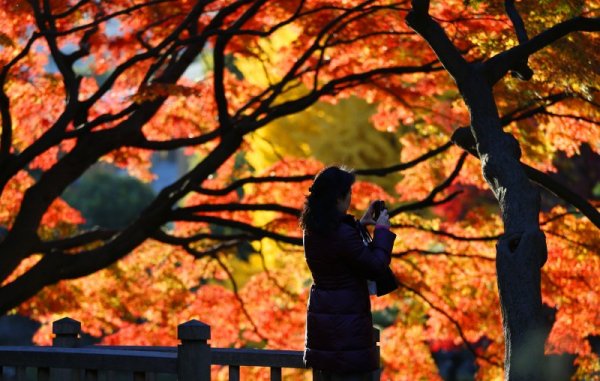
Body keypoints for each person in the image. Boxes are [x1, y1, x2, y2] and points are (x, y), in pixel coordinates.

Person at [300, 166, 398, 381]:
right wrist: (381, 232)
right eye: (348, 193)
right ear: (338, 198)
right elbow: (375, 266)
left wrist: (361, 225)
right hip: (347, 332)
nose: (350, 198)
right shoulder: (341, 234)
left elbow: (342, 254)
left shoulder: (312, 228)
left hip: (324, 328)